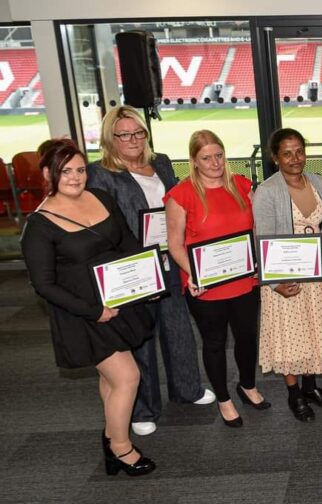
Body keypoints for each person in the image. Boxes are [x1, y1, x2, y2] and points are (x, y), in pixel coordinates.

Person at [21, 139, 156, 476]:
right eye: (66, 171)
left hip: (118, 300)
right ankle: (121, 449)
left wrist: (147, 279)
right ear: (48, 173)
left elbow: (126, 242)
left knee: (111, 379)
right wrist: (94, 311)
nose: (76, 177)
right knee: (128, 376)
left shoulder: (102, 197)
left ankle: (112, 435)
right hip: (84, 314)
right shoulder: (38, 225)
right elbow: (44, 285)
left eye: (81, 169)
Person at [87, 105, 215, 437]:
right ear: (110, 138)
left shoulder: (161, 163)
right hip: (134, 267)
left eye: (138, 132)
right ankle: (143, 409)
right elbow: (101, 224)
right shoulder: (99, 173)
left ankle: (188, 389)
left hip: (169, 259)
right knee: (140, 336)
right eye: (124, 134)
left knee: (179, 329)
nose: (132, 139)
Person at [164, 130, 268, 429]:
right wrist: (193, 275)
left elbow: (255, 230)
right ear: (194, 161)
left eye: (219, 155)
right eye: (206, 158)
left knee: (247, 336)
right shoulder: (180, 194)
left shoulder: (241, 185)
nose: (215, 163)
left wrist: (260, 263)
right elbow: (174, 243)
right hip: (206, 284)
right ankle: (223, 397)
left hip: (244, 279)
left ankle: (247, 385)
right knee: (214, 342)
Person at [253, 128, 322, 422]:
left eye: (299, 151)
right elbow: (261, 240)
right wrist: (275, 283)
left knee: (313, 331)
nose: (295, 158)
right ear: (275, 157)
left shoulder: (318, 183)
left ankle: (311, 387)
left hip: (315, 275)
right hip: (284, 277)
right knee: (291, 337)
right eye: (287, 153)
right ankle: (294, 395)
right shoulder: (267, 191)